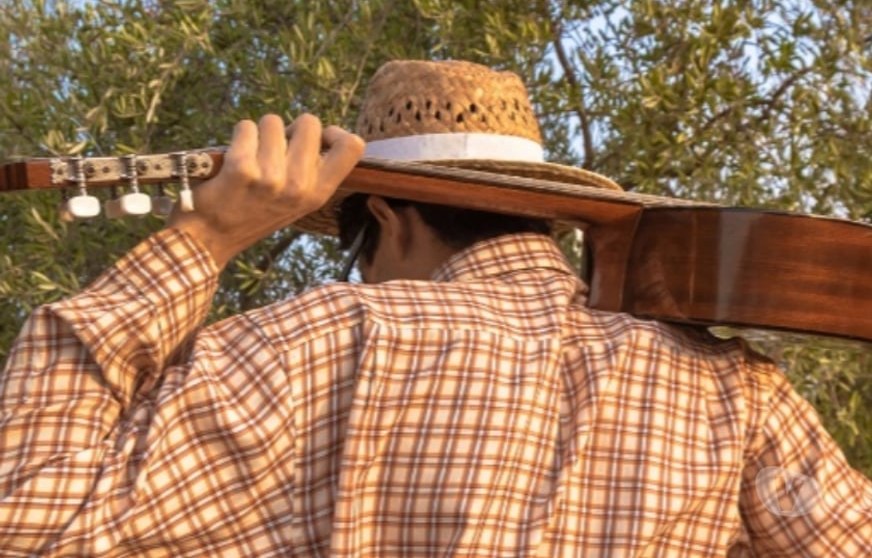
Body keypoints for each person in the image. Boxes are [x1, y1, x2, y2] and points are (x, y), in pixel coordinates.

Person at [0, 59, 869, 556]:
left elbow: (31, 521)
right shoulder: (735, 390)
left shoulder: (322, 340)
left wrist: (203, 237)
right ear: (545, 211)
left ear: (386, 216)